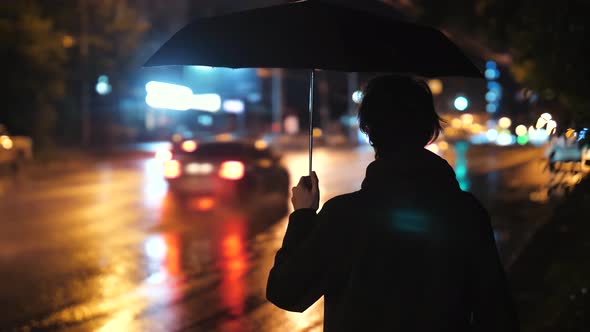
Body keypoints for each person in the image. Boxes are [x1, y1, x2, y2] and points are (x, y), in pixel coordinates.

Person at [266, 75, 519, 331]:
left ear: (369, 130)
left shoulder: (343, 216)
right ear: (428, 130)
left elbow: (286, 292)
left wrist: (303, 216)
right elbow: (496, 313)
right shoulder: (467, 213)